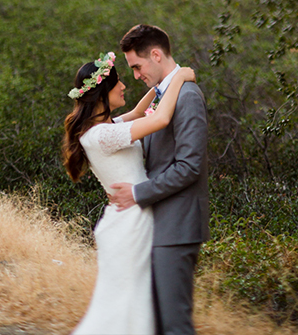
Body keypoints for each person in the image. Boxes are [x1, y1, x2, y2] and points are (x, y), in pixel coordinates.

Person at [63, 49, 197, 335]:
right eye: (118, 82)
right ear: (103, 92)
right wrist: (181, 77)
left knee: (130, 302)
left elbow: (137, 113)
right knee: (124, 305)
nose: (124, 85)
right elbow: (159, 120)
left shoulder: (106, 127)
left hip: (128, 218)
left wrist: (160, 86)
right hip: (129, 223)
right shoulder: (103, 135)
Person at [109, 24, 209, 335]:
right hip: (157, 226)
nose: (136, 76)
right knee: (153, 323)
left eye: (137, 67)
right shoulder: (162, 96)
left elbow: (189, 166)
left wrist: (138, 193)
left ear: (155, 55)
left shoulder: (187, 96)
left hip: (177, 228)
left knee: (175, 323)